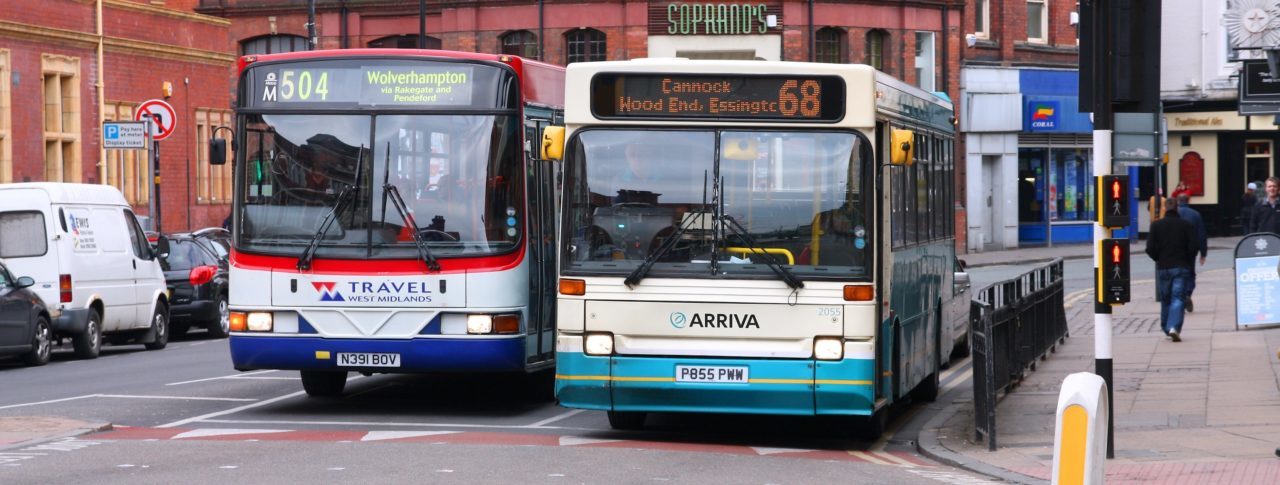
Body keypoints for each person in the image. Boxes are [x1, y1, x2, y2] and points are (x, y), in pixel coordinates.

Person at [1145, 197, 1198, 342]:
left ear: (1165, 208)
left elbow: (1149, 249)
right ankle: (1173, 327)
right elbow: (1193, 247)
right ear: (1177, 208)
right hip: (1181, 267)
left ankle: (1167, 328)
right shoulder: (1186, 225)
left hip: (1163, 267)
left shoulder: (1156, 226)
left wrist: (1158, 258)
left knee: (1166, 299)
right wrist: (1186, 260)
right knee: (1178, 298)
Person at [1175, 194, 1207, 312]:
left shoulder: (1174, 214)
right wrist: (1203, 253)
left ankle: (1181, 296)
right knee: (1190, 273)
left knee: (1178, 274)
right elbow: (1202, 234)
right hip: (1191, 249)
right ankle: (1187, 293)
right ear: (1189, 200)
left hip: (1176, 249)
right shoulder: (1195, 214)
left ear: (1178, 201)